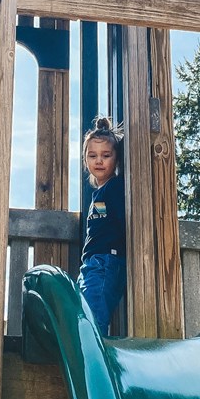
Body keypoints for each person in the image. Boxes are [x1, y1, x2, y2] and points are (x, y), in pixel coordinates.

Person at [77, 115, 126, 337]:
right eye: (92, 156)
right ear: (85, 160)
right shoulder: (98, 192)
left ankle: (97, 363)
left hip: (105, 261)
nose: (99, 161)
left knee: (93, 320)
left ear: (116, 159)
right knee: (84, 313)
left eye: (106, 155)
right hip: (92, 264)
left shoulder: (115, 187)